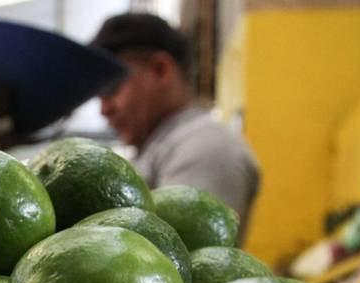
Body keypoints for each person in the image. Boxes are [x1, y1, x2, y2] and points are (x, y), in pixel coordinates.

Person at [90, 13, 260, 225]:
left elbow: (183, 247)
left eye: (110, 89)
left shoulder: (204, 146)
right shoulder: (159, 147)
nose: (104, 109)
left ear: (161, 70)